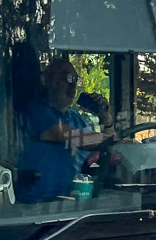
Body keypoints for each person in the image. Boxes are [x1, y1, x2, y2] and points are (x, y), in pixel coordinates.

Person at [15, 55, 112, 202]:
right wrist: (116, 139)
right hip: (35, 206)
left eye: (76, 80)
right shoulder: (35, 110)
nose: (73, 85)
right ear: (46, 80)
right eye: (67, 78)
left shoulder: (76, 118)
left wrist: (106, 120)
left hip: (70, 204)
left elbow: (103, 149)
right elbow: (67, 136)